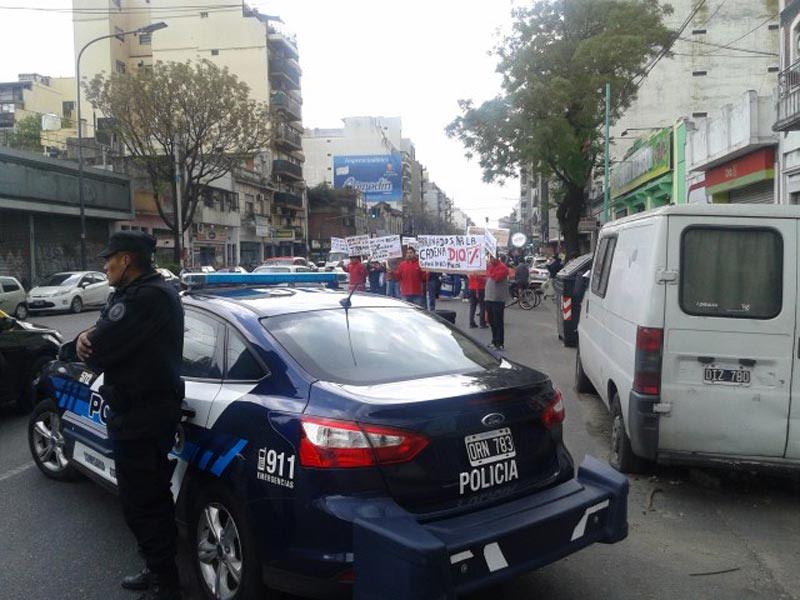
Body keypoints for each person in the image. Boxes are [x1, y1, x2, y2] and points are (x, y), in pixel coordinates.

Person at [74, 231, 184, 600]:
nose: (104, 265)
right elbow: (99, 333)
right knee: (142, 498)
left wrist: (88, 343)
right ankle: (156, 569)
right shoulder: (133, 295)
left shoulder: (147, 297)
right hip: (136, 410)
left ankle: (165, 583)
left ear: (127, 260)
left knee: (145, 501)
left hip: (144, 414)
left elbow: (100, 349)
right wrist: (83, 338)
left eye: (110, 259)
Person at [485, 254, 510, 350]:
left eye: (492, 257)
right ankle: (494, 340)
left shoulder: (502, 267)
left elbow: (497, 278)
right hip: (489, 298)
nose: (490, 259)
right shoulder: (490, 267)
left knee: (498, 321)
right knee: (491, 320)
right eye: (489, 257)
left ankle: (499, 343)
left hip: (498, 299)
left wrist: (489, 270)